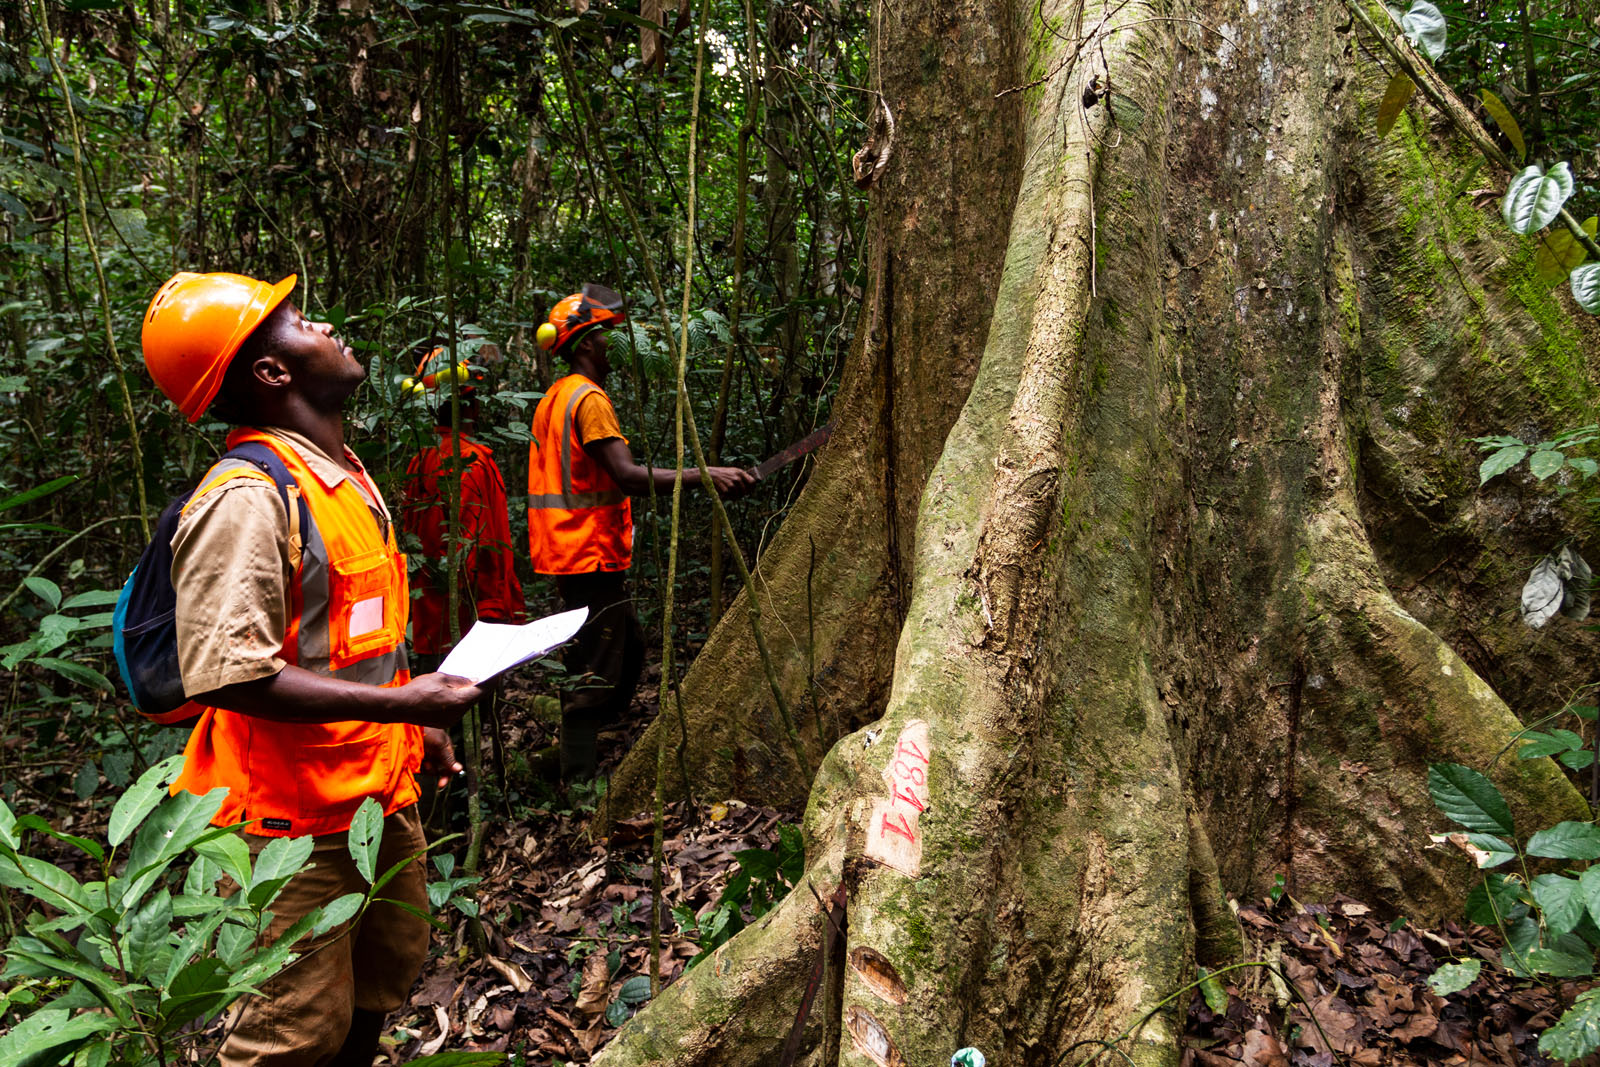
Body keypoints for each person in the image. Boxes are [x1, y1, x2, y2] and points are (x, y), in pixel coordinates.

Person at [140, 270, 483, 1067]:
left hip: (373, 800)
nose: (326, 326)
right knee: (289, 1039)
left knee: (375, 994)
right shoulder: (247, 497)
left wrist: (415, 726)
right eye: (301, 322)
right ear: (270, 372)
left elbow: (352, 635)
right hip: (286, 832)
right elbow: (228, 673)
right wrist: (408, 702)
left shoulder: (342, 476)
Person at [528, 284, 755, 780]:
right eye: (610, 334)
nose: (620, 343)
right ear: (586, 344)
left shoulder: (555, 396)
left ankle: (593, 750)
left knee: (627, 648)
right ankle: (579, 781)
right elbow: (626, 475)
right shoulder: (586, 399)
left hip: (572, 554)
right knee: (596, 670)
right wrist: (706, 475)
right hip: (586, 553)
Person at [401, 344, 525, 671]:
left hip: (430, 624)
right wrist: (493, 616)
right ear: (472, 406)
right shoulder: (471, 461)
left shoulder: (419, 459)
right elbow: (474, 550)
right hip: (469, 627)